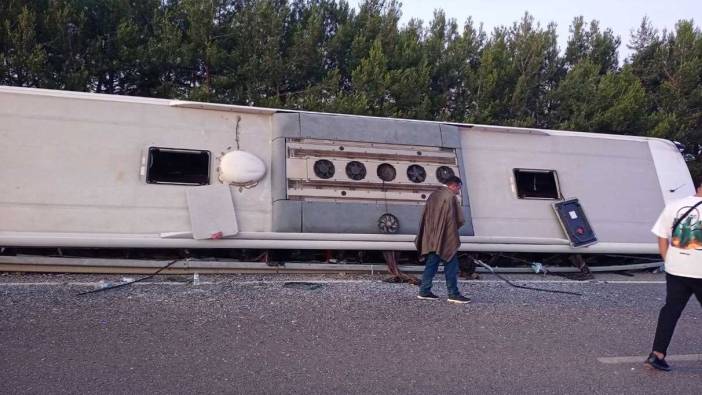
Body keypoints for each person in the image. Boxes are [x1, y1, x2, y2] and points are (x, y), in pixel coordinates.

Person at [645, 175, 702, 371]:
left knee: (671, 310)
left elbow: (662, 235)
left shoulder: (674, 205)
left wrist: (667, 259)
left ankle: (657, 354)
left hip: (676, 269)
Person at [415, 176, 471, 303]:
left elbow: (426, 216)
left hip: (432, 237)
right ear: (455, 185)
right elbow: (458, 219)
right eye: (459, 188)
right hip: (446, 238)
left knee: (431, 264)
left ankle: (424, 291)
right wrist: (450, 231)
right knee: (451, 264)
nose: (458, 191)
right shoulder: (450, 197)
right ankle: (453, 294)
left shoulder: (433, 195)